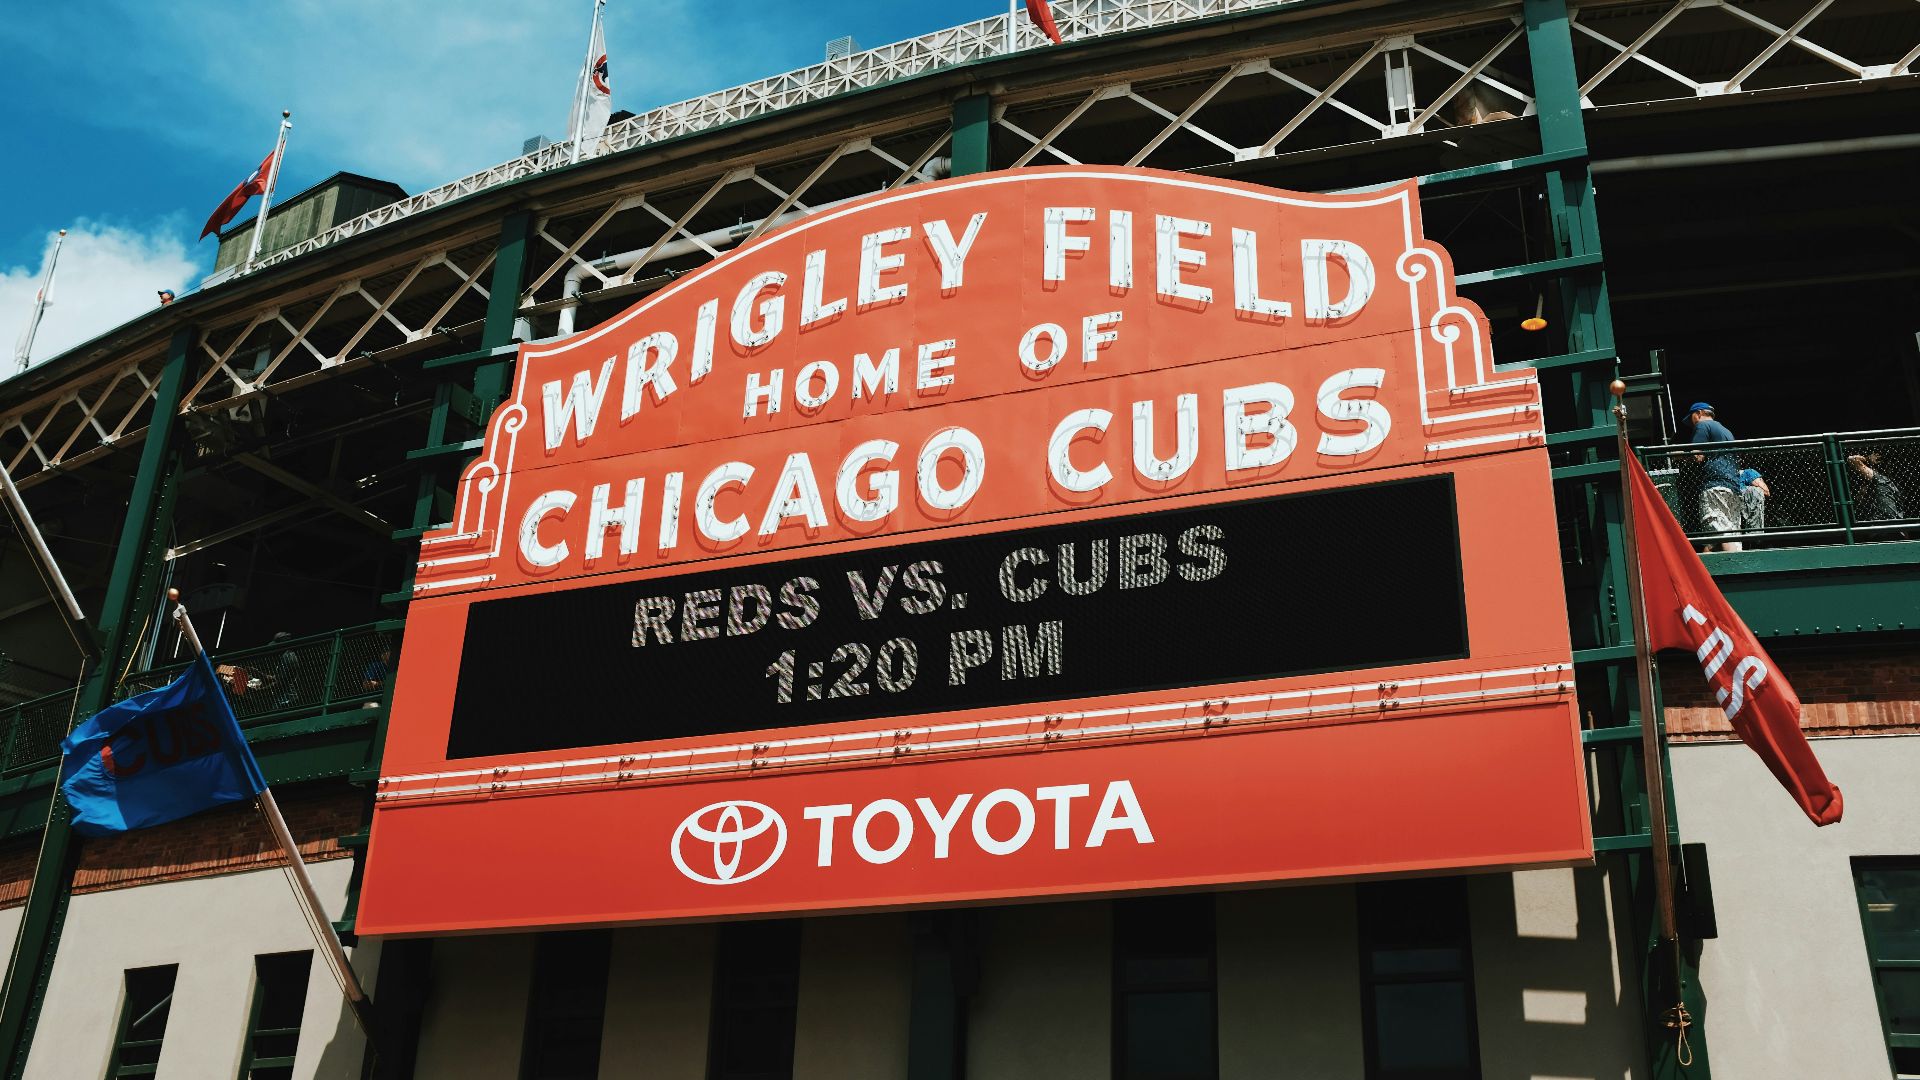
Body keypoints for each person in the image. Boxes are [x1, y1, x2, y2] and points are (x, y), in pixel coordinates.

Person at [1687, 402, 1743, 551]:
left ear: (1698, 413)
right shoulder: (1726, 431)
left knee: (1719, 531)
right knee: (1724, 535)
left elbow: (1697, 455)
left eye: (1691, 418)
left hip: (1715, 485)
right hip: (1734, 487)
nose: (1691, 424)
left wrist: (1677, 455)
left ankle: (1737, 567)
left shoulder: (1702, 425)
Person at [1849, 453, 1904, 531]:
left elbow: (1852, 459)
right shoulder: (1891, 485)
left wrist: (1867, 459)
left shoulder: (1881, 480)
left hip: (1885, 527)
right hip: (1893, 526)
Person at [1737, 466, 1769, 538]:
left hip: (1748, 510)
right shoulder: (1722, 477)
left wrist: (1747, 492)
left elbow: (1766, 491)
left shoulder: (1747, 472)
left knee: (1756, 491)